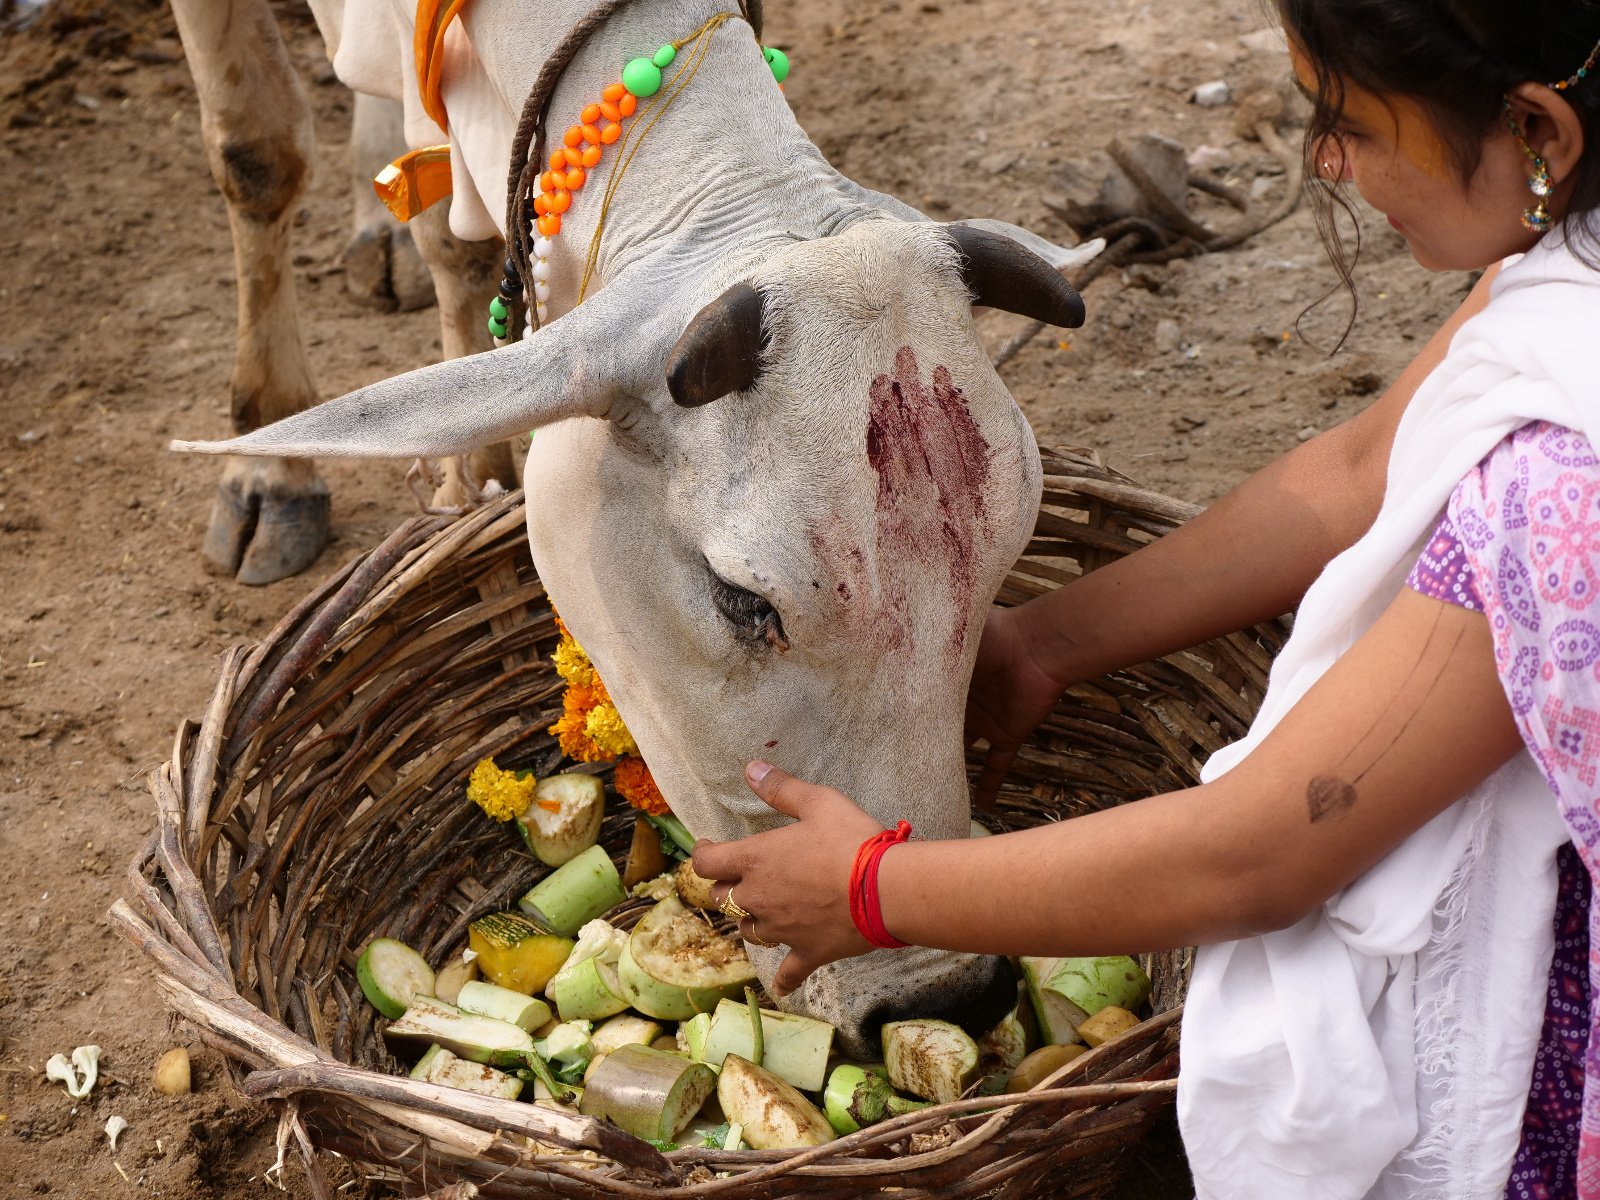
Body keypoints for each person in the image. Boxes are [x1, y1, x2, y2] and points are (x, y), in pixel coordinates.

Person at [691, 2, 1600, 1195]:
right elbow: (1350, 472)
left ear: (1535, 124)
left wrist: (873, 890)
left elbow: (1259, 857)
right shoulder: (1558, 267)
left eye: (1349, 123)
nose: (1324, 161)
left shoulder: (1561, 490)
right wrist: (1039, 647)